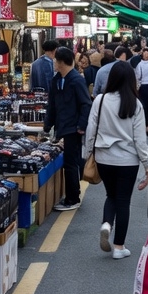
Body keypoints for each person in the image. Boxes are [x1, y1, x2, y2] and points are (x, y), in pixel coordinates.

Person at [84, 63, 148, 259]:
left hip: (104, 157)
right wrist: (147, 166)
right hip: (128, 160)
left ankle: (106, 223)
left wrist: (88, 153)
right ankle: (119, 246)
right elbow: (140, 139)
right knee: (123, 201)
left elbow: (91, 129)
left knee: (111, 195)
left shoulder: (101, 100)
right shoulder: (135, 104)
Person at [44, 47, 92, 212]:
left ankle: (73, 198)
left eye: (55, 61)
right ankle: (71, 195)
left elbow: (86, 104)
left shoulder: (76, 80)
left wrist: (81, 126)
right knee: (70, 162)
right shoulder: (57, 80)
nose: (54, 64)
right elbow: (52, 105)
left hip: (73, 128)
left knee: (70, 163)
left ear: (61, 62)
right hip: (62, 126)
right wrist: (47, 125)